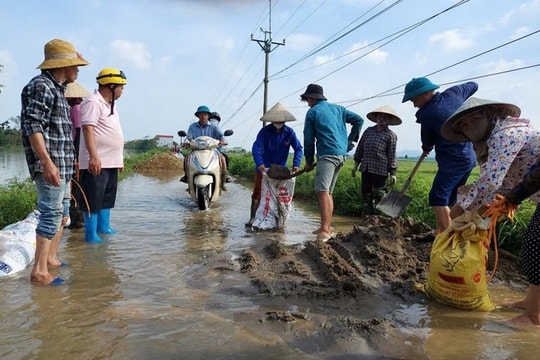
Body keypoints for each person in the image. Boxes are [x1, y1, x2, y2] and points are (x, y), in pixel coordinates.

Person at [440, 97, 540, 326]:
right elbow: (505, 183)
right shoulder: (499, 137)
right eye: (463, 125)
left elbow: (490, 184)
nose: (468, 127)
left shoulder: (506, 135)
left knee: (536, 247)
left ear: (487, 116)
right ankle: (531, 302)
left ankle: (533, 317)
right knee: (534, 246)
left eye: (472, 120)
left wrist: (455, 214)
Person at [20, 38, 89, 285]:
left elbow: (60, 133)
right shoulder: (41, 86)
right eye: (75, 65)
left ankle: (50, 259)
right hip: (51, 164)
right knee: (50, 214)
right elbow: (33, 125)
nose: (78, 70)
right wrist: (47, 163)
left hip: (63, 164)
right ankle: (39, 272)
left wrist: (70, 165)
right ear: (63, 65)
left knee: (63, 213)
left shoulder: (58, 89)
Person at [402, 77, 477, 240]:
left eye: (414, 99)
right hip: (469, 157)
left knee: (438, 196)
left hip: (453, 161)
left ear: (426, 93)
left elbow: (427, 140)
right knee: (450, 197)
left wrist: (426, 148)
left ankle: (446, 238)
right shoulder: (455, 93)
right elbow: (473, 85)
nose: (414, 104)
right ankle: (442, 230)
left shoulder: (429, 113)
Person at [300, 84, 364, 242]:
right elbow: (359, 120)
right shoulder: (339, 109)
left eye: (307, 99)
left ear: (311, 98)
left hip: (327, 155)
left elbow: (308, 139)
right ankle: (326, 225)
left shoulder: (313, 112)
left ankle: (325, 229)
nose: (307, 102)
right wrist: (348, 142)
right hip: (341, 155)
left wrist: (309, 161)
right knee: (328, 192)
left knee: (321, 191)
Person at [78, 68, 127, 243]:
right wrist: (93, 156)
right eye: (121, 87)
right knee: (92, 198)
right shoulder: (93, 102)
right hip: (97, 161)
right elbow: (88, 129)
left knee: (106, 197)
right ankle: (91, 235)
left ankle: (103, 227)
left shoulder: (110, 105)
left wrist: (118, 158)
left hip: (111, 161)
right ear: (111, 86)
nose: (122, 91)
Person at [246, 102, 303, 226]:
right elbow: (256, 147)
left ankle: (277, 220)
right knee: (258, 193)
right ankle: (252, 218)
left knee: (280, 196)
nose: (278, 122)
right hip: (264, 168)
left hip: (280, 170)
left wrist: (296, 163)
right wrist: (259, 163)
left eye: (280, 120)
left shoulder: (290, 133)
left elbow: (298, 148)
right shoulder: (265, 131)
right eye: (275, 120)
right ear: (272, 120)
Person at [351, 105, 401, 215]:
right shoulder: (368, 131)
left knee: (380, 193)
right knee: (366, 194)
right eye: (380, 116)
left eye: (385, 118)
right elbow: (360, 148)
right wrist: (355, 165)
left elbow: (392, 154)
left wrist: (393, 173)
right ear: (376, 118)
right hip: (366, 167)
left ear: (389, 121)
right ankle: (368, 217)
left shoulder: (390, 135)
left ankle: (379, 219)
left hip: (380, 169)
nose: (382, 119)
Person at [181, 105, 229, 190]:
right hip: (196, 150)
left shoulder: (214, 126)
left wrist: (223, 141)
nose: (203, 116)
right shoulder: (192, 127)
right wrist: (186, 143)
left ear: (208, 116)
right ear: (198, 116)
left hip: (212, 150)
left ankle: (224, 179)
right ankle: (187, 177)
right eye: (201, 114)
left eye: (205, 114)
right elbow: (188, 137)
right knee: (186, 159)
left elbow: (221, 136)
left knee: (223, 159)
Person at [65, 81, 90, 229]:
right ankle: (79, 220)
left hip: (77, 155)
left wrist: (76, 157)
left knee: (75, 188)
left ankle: (77, 221)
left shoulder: (76, 108)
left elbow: (79, 133)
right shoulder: (81, 108)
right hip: (79, 154)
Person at [209, 111, 231, 181]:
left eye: (215, 119)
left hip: (216, 151)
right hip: (202, 150)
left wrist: (224, 142)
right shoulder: (204, 128)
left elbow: (222, 137)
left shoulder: (218, 129)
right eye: (212, 119)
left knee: (225, 158)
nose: (214, 120)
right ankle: (188, 175)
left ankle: (225, 175)